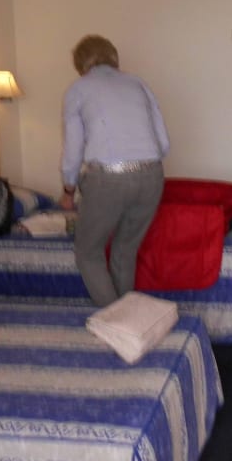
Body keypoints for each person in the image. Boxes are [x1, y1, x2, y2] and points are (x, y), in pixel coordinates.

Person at [59, 35, 170, 306]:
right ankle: (126, 318)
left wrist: (68, 191)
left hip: (109, 179)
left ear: (80, 63)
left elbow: (73, 150)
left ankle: (116, 320)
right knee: (124, 250)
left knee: (88, 253)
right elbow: (163, 143)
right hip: (152, 176)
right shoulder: (138, 83)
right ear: (112, 56)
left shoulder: (79, 89)